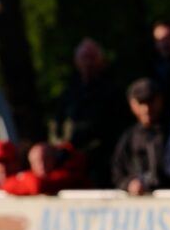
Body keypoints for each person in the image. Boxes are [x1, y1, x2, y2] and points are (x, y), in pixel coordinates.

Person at [51, 38, 131, 189]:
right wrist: (60, 147)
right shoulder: (69, 92)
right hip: (69, 162)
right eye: (84, 58)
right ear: (76, 61)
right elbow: (56, 125)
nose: (88, 63)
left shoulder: (112, 92)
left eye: (92, 58)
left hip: (102, 163)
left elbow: (118, 129)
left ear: (101, 60)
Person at [112, 78, 168, 195]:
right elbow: (117, 172)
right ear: (132, 104)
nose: (146, 109)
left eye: (151, 102)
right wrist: (129, 183)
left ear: (160, 101)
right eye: (141, 103)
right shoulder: (129, 137)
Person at [2, 142, 90, 196]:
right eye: (37, 161)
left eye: (46, 159)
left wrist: (24, 177)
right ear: (31, 164)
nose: (42, 165)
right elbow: (6, 185)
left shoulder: (68, 174)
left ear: (54, 159)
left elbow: (37, 186)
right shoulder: (33, 176)